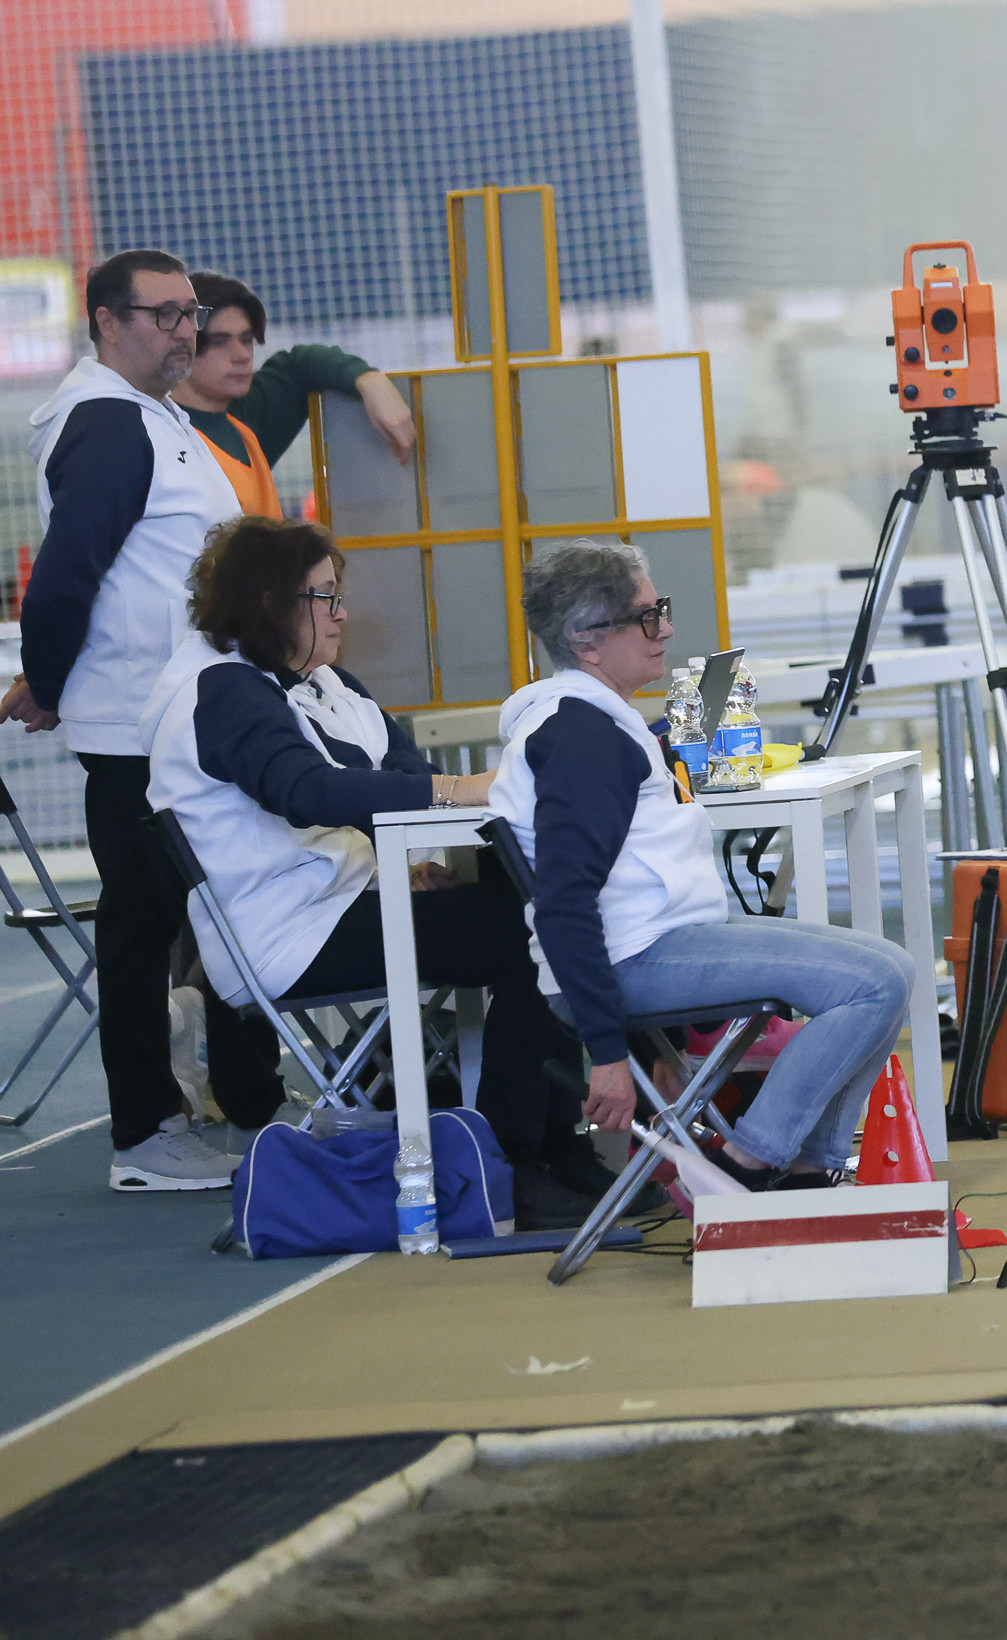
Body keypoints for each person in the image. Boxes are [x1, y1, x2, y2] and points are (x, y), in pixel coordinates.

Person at [140, 518, 624, 1225]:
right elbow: (309, 791)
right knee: (533, 931)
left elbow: (399, 768)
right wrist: (456, 790)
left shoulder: (327, 683)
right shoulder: (222, 691)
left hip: (343, 902)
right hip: (287, 936)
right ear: (272, 603)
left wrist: (414, 859)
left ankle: (560, 1144)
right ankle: (512, 1161)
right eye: (325, 597)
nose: (342, 614)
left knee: (527, 902)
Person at [489, 542, 914, 1188]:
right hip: (634, 958)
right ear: (586, 641)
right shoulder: (580, 739)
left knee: (895, 967)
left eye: (658, 608)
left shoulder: (598, 721)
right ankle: (749, 1166)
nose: (665, 629)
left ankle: (809, 1170)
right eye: (645, 617)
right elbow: (563, 903)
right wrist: (608, 1053)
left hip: (664, 937)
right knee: (873, 984)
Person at [3, 250, 244, 1190]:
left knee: (171, 921)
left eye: (192, 313)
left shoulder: (155, 416)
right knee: (142, 932)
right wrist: (50, 678)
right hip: (139, 730)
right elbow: (66, 575)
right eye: (166, 315)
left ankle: (220, 1094)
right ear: (107, 321)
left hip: (177, 718)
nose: (187, 331)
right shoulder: (106, 422)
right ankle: (144, 1135)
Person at [177, 271, 417, 513]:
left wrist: (369, 380)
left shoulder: (244, 416)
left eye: (246, 340)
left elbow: (300, 365)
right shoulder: (164, 435)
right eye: (219, 342)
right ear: (181, 346)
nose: (242, 355)